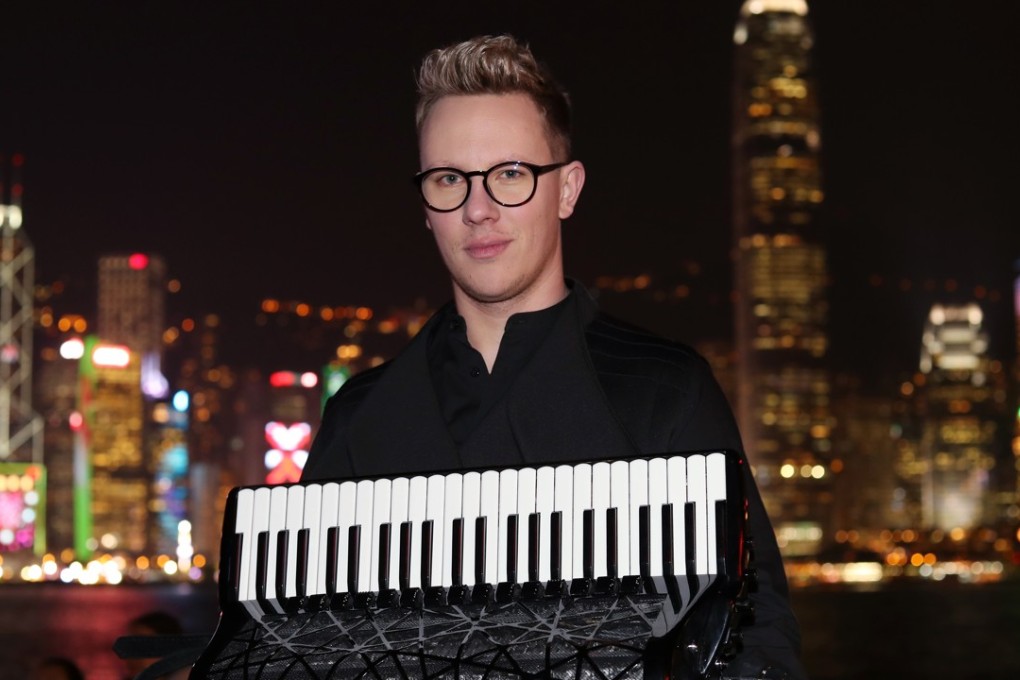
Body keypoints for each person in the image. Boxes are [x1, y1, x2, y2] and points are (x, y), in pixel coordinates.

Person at [302, 34, 806, 679]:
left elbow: (753, 635)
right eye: (450, 179)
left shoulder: (666, 389)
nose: (478, 209)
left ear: (566, 190)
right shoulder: (359, 416)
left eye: (510, 175)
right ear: (426, 207)